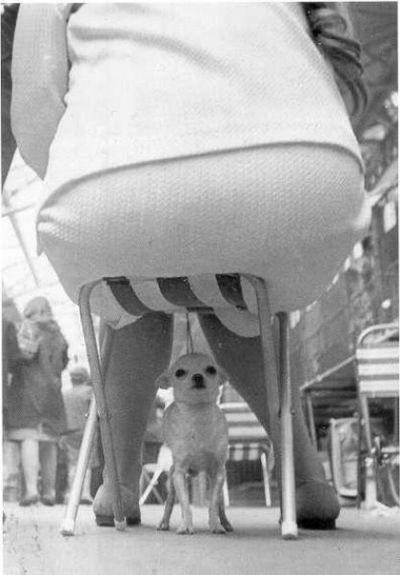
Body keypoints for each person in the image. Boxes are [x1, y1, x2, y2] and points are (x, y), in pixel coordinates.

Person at [10, 3, 367, 527]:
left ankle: (119, 483)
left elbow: (36, 98)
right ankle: (307, 480)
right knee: (243, 297)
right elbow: (345, 72)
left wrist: (75, 172)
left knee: (132, 294)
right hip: (303, 185)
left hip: (112, 187)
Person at [6, 297, 69, 506]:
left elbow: (21, 356)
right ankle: (49, 492)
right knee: (49, 441)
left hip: (27, 392)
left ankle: (32, 490)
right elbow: (64, 362)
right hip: (53, 394)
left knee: (29, 438)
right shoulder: (58, 333)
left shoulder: (28, 328)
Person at [62, 364, 94, 504]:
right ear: (85, 378)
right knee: (87, 463)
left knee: (72, 463)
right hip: (87, 431)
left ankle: (71, 493)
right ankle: (85, 493)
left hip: (69, 432)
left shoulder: (65, 394)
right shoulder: (90, 392)